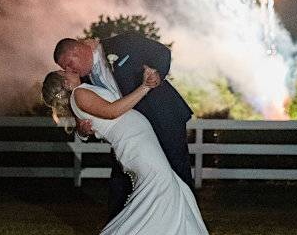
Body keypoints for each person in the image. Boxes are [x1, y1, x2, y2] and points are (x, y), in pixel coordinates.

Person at [16, 67, 218, 235]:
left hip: (138, 144)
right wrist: (145, 87)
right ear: (66, 84)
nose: (69, 69)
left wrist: (83, 129)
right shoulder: (80, 93)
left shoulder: (82, 92)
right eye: (64, 71)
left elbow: (92, 120)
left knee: (171, 189)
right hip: (135, 145)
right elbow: (112, 112)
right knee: (162, 189)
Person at [54, 33, 194, 219]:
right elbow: (84, 119)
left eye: (70, 63)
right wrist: (82, 131)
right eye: (65, 69)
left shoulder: (122, 43)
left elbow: (161, 52)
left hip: (163, 117)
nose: (70, 70)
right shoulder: (83, 83)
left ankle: (187, 220)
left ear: (78, 49)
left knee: (177, 168)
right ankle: (119, 228)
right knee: (121, 178)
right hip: (130, 134)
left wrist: (157, 74)